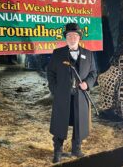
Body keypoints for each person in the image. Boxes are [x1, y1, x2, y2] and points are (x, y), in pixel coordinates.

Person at [47, 23, 97, 163]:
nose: (72, 38)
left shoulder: (88, 54)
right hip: (63, 95)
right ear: (66, 38)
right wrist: (55, 89)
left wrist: (87, 83)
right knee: (59, 123)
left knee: (79, 122)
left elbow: (93, 73)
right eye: (69, 35)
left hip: (80, 96)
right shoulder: (58, 53)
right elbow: (50, 73)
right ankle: (58, 151)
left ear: (79, 37)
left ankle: (76, 149)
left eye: (75, 35)